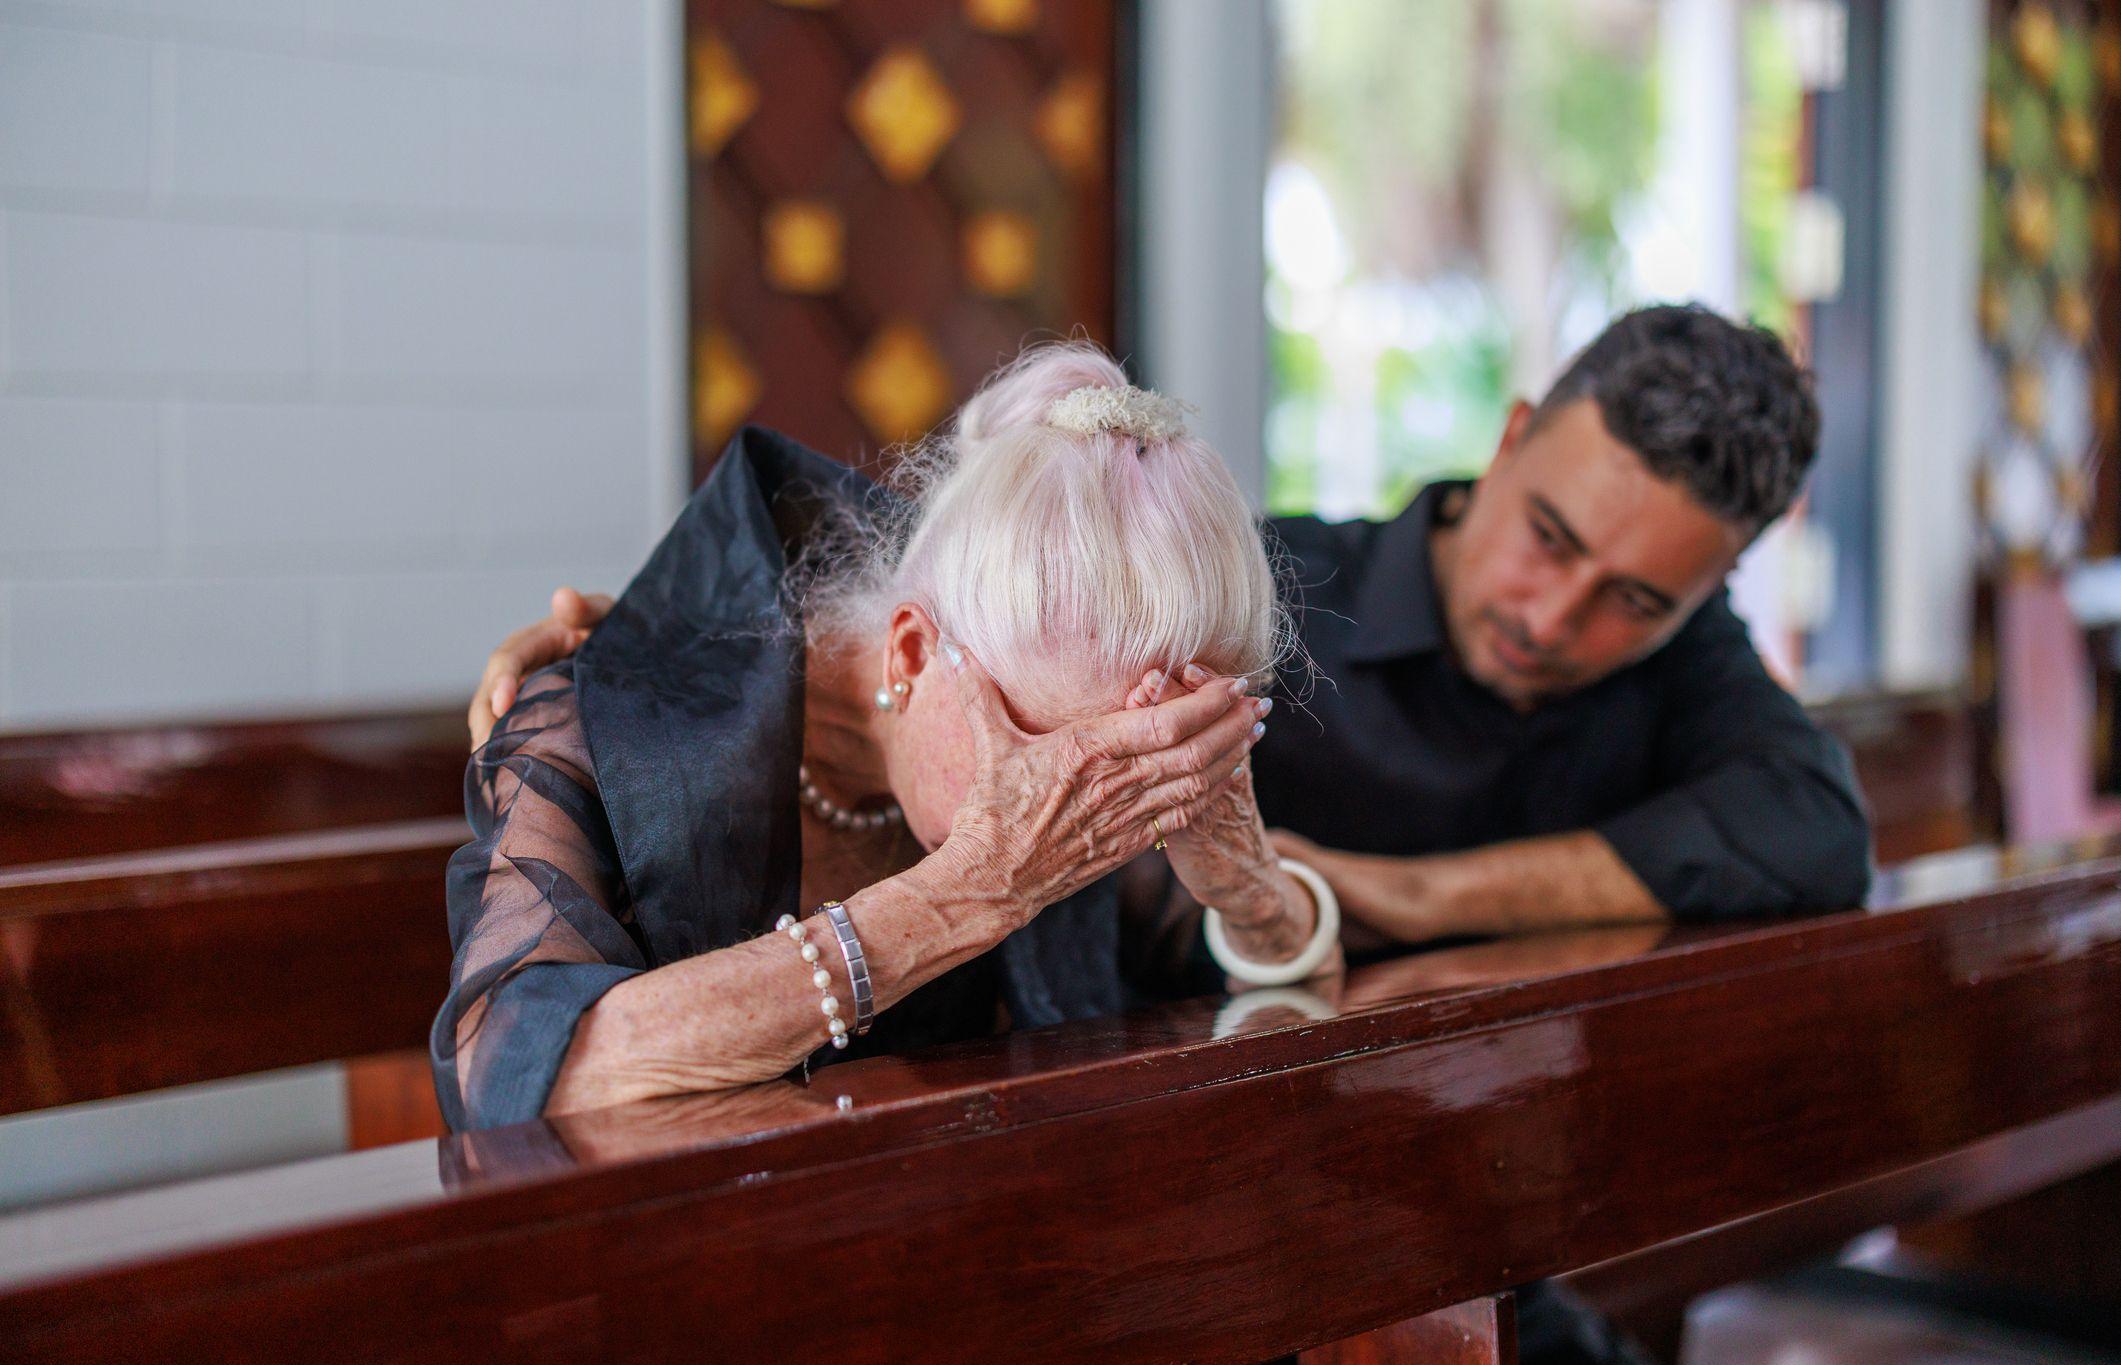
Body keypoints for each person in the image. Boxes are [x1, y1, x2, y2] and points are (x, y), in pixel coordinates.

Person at [474, 306, 1871, 954]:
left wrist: (1364, 885)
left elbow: (1815, 831)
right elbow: (968, 599)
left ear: (1709, 590)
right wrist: (685, 640)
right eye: (1551, 537)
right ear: (1511, 439)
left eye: (1637, 598)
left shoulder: (1690, 666)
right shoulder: (1259, 583)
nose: (1555, 615)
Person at [433, 344, 1341, 1134]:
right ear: (911, 652)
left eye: (1156, 764)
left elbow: (1258, 997)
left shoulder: (1099, 766)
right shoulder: (596, 727)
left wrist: (1250, 889)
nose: (1098, 816)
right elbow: (518, 1079)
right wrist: (966, 895)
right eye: (1075, 766)